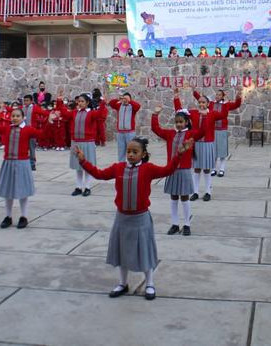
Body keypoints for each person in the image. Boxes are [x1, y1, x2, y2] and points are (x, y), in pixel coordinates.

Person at [74, 137, 193, 301]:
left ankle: (150, 283)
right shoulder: (118, 168)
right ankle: (123, 283)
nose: (130, 155)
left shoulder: (148, 169)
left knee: (145, 251)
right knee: (122, 252)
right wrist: (83, 161)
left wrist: (178, 155)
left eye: (134, 152)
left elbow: (168, 170)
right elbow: (99, 174)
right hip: (122, 218)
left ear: (143, 154)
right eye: (128, 151)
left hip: (140, 217)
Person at [0, 106, 54, 229]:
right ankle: (8, 216)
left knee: (23, 191)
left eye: (18, 116)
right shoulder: (7, 128)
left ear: (23, 118)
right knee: (8, 191)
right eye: (13, 116)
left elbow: (42, 134)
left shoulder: (27, 130)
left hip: (22, 163)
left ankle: (23, 216)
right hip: (8, 162)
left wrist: (49, 122)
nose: (15, 118)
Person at [152, 107, 204, 236]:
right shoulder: (170, 134)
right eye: (177, 122)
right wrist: (155, 114)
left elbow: (203, 131)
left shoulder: (191, 134)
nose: (179, 124)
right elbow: (156, 129)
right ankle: (175, 224)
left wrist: (205, 117)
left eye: (181, 122)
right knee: (173, 197)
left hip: (185, 170)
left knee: (184, 198)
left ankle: (187, 224)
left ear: (186, 122)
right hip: (171, 170)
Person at [173, 88, 231, 202]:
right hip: (196, 144)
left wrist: (226, 101)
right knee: (196, 169)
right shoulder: (193, 113)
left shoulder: (213, 114)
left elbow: (224, 114)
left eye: (203, 102)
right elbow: (179, 111)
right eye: (199, 102)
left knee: (206, 169)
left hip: (208, 144)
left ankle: (208, 192)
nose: (201, 104)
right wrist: (176, 97)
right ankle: (195, 192)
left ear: (208, 104)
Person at [54, 89, 108, 196]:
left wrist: (103, 103)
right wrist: (59, 101)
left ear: (87, 103)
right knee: (78, 167)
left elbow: (101, 114)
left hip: (87, 143)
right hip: (76, 143)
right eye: (79, 101)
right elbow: (64, 113)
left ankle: (87, 187)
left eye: (82, 101)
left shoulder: (92, 113)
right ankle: (78, 187)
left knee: (87, 166)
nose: (80, 103)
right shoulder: (74, 113)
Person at [192, 89, 242, 177]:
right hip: (212, 130)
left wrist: (238, 97)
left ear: (223, 96)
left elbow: (237, 105)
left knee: (222, 150)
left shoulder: (226, 105)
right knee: (213, 150)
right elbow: (200, 98)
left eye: (219, 95)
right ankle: (214, 169)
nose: (217, 96)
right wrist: (194, 90)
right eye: (216, 95)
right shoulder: (210, 103)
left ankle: (222, 169)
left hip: (222, 130)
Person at [108, 92, 141, 162]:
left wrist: (130, 101)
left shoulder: (132, 107)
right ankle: (121, 166)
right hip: (120, 133)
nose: (125, 100)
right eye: (124, 98)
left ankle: (132, 164)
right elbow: (111, 103)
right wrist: (118, 99)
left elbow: (138, 106)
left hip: (130, 133)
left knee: (132, 151)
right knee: (121, 151)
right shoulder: (119, 105)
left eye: (126, 98)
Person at [22, 94, 51, 171]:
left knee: (31, 148)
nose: (26, 102)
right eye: (24, 100)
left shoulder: (35, 108)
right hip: (23, 131)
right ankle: (24, 162)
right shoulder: (22, 108)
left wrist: (50, 116)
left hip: (32, 131)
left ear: (31, 101)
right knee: (24, 147)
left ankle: (32, 163)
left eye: (27, 100)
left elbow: (45, 113)